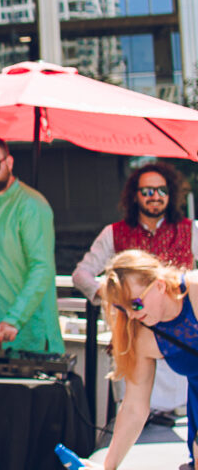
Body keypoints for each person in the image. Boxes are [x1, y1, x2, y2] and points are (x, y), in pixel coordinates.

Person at [72, 162, 195, 415]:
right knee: (136, 410)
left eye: (162, 190)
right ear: (134, 195)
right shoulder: (113, 233)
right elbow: (81, 275)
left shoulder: (189, 230)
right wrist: (116, 297)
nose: (155, 197)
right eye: (148, 191)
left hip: (179, 339)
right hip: (135, 334)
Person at [83, 249, 198, 470]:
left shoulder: (196, 291)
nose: (133, 315)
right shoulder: (144, 335)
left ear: (158, 285)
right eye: (122, 309)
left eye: (135, 303)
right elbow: (134, 407)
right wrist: (108, 465)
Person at [0, 136, 64, 353]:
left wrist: (14, 319)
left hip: (23, 329)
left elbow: (42, 269)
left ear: (9, 163)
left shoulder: (32, 205)